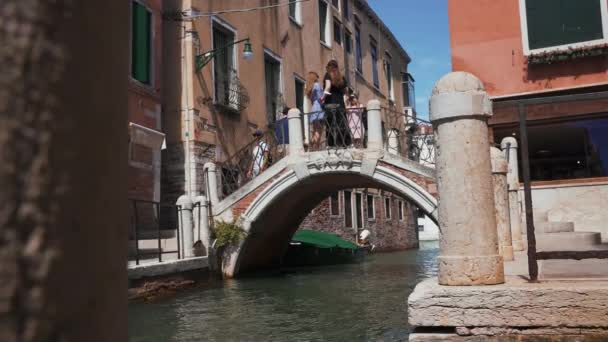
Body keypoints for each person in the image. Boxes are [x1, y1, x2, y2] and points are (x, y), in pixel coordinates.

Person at [322, 60, 352, 147]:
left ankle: (331, 144)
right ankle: (345, 143)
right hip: (340, 103)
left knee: (330, 123)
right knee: (341, 123)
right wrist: (347, 105)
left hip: (330, 102)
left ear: (328, 67)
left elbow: (327, 87)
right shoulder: (341, 77)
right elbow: (346, 92)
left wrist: (322, 98)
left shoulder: (328, 74)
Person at [305, 71, 324, 149]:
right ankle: (315, 145)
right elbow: (321, 97)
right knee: (319, 129)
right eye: (317, 77)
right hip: (318, 106)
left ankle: (312, 143)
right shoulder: (316, 85)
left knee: (315, 128)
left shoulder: (310, 87)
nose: (318, 79)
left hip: (314, 107)